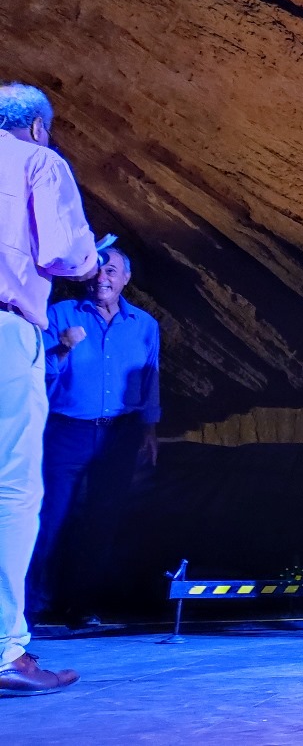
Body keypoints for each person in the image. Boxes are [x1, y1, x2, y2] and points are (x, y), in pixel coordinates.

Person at [0, 83, 96, 695]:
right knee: (12, 491)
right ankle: (5, 652)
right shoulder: (38, 160)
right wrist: (91, 263)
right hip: (5, 330)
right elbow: (65, 253)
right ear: (37, 126)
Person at [27, 248, 160, 627]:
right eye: (97, 269)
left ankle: (81, 606)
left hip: (120, 434)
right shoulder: (59, 315)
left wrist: (149, 428)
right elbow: (37, 370)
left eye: (112, 270)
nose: (103, 277)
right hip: (66, 431)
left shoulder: (144, 325)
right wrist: (63, 347)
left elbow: (150, 377)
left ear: (125, 279)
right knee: (50, 517)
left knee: (102, 521)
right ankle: (29, 608)